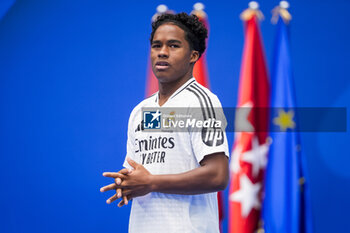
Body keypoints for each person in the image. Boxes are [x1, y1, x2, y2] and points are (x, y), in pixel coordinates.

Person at [100, 12, 230, 233]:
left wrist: (151, 182)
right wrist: (126, 182)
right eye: (156, 45)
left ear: (193, 55)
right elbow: (141, 170)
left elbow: (217, 175)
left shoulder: (202, 101)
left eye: (173, 46)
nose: (162, 52)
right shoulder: (140, 112)